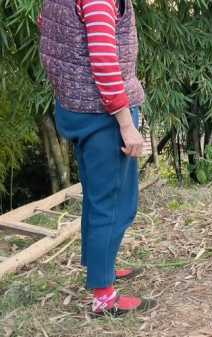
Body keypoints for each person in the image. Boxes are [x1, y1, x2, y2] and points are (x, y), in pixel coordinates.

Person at [38, 0, 155, 316]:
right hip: (103, 114)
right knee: (115, 205)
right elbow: (104, 63)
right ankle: (104, 297)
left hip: (77, 107)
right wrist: (127, 125)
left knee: (97, 199)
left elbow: (50, 32)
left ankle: (101, 268)